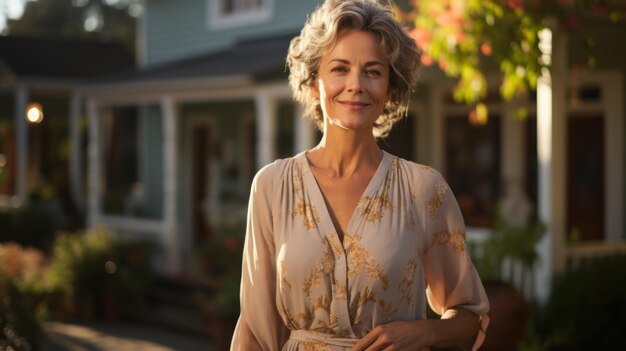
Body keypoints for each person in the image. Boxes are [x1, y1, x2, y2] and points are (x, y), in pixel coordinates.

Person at [230, 0, 489, 350]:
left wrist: (423, 332)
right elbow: (255, 328)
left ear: (390, 89)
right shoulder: (272, 186)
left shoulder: (423, 189)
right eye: (339, 69)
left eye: (372, 71)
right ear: (312, 84)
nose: (356, 85)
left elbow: (469, 317)